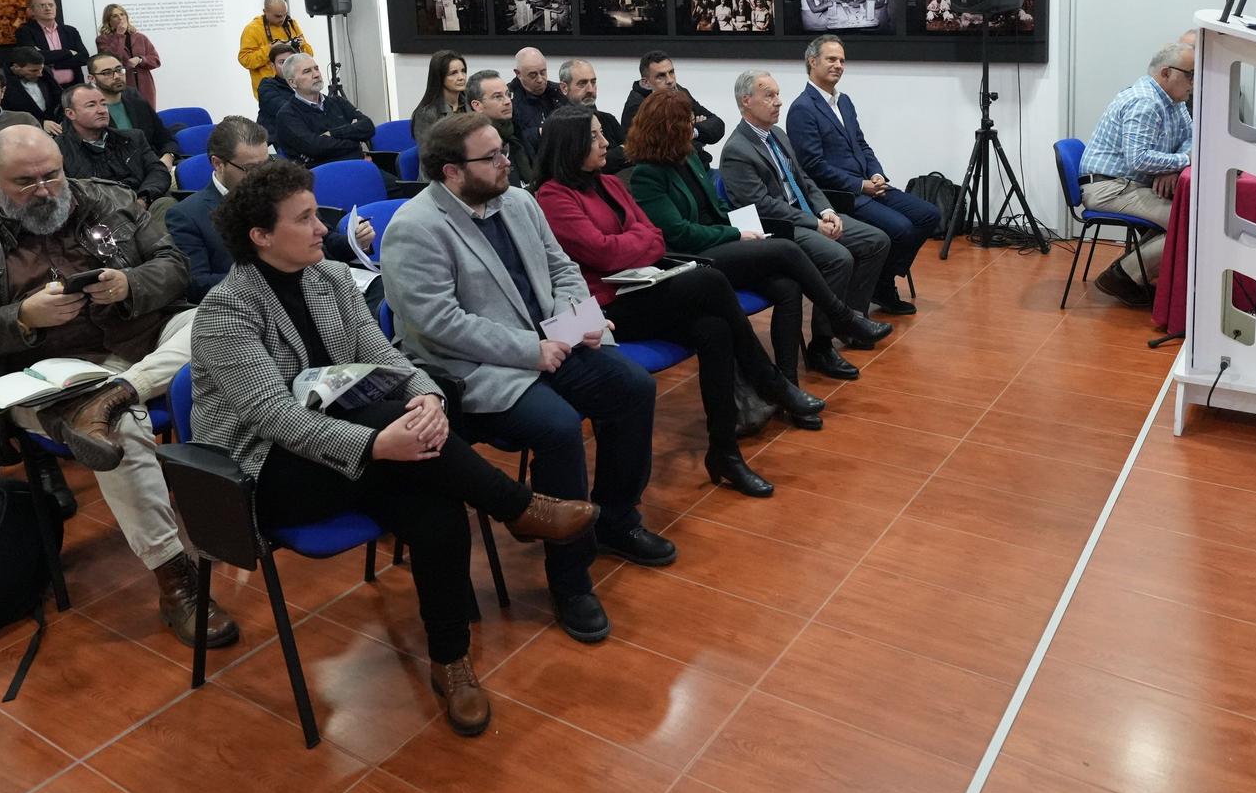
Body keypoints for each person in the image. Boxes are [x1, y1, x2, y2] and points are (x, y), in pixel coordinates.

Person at [190, 158, 596, 735]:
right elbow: (274, 416)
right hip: (267, 471)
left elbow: (386, 357)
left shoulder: (330, 279)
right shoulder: (225, 310)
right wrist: (379, 442)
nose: (322, 228)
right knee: (402, 434)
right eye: (304, 219)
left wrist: (426, 397)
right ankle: (517, 506)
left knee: (437, 504)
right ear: (260, 236)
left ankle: (451, 660)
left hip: (356, 452)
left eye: (316, 214)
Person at [0, 125, 239, 647]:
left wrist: (132, 284)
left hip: (140, 341)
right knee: (121, 430)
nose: (44, 190)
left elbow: (174, 266)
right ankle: (176, 578)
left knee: (224, 318)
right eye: (25, 182)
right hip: (43, 374)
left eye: (52, 175)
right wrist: (21, 317)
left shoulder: (110, 200)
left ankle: (117, 394)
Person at [381, 113, 672, 645]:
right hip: (477, 367)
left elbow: (562, 270)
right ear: (451, 172)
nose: (506, 162)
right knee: (558, 428)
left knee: (633, 388)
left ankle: (614, 518)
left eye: (503, 150)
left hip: (550, 343)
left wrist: (573, 321)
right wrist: (530, 350)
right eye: (491, 156)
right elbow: (440, 324)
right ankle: (570, 578)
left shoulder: (518, 201)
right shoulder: (414, 228)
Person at [535, 107, 823, 492]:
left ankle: (725, 453)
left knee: (714, 328)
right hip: (604, 309)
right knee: (710, 280)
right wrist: (631, 245)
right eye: (594, 136)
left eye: (602, 133)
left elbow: (654, 238)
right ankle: (769, 380)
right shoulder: (553, 196)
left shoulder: (611, 184)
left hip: (641, 287)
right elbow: (602, 253)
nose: (605, 143)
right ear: (570, 145)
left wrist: (627, 246)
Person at [626, 90, 891, 388]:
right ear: (668, 128)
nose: (694, 129)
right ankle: (843, 317)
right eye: (687, 123)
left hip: (721, 242)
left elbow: (719, 207)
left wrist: (745, 230)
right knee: (787, 249)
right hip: (695, 257)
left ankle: (788, 381)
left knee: (788, 286)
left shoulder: (689, 158)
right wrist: (737, 233)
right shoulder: (647, 174)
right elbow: (680, 233)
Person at [722, 69, 892, 372]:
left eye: (777, 94)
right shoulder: (737, 150)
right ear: (746, 101)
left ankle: (852, 321)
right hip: (779, 227)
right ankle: (821, 347)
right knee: (838, 258)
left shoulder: (778, 134)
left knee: (876, 241)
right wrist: (814, 223)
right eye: (769, 96)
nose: (779, 102)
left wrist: (826, 211)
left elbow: (804, 180)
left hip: (808, 214)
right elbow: (763, 206)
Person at [785, 35, 936, 314]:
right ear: (812, 61)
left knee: (929, 215)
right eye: (831, 59)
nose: (838, 65)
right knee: (902, 229)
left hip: (869, 184)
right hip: (842, 193)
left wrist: (876, 173)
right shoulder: (802, 109)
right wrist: (859, 185)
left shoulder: (844, 102)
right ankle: (883, 286)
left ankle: (880, 280)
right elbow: (813, 166)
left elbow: (862, 145)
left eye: (842, 60)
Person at [169, 118, 378, 303]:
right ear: (218, 164)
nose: (263, 175)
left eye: (266, 163)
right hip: (258, 304)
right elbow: (198, 285)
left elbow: (326, 239)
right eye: (251, 168)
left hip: (326, 285)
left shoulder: (282, 187)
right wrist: (274, 274)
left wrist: (355, 242)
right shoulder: (188, 215)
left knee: (383, 294)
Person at [1078, 40, 1196, 307]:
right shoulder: (1145, 102)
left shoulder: (1174, 101)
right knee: (1190, 223)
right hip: (1109, 188)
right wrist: (1182, 161)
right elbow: (1139, 159)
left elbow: (1190, 137)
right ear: (1166, 73)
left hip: (1128, 183)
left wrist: (1173, 166)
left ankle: (1129, 271)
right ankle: (1122, 276)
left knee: (1186, 218)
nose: (1194, 82)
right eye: (1190, 75)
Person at [56, 84, 172, 208]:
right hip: (98, 213)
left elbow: (158, 171)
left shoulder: (133, 138)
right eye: (91, 105)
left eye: (103, 104)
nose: (102, 110)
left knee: (166, 204)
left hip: (143, 202)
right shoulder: (57, 151)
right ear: (71, 113)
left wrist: (143, 199)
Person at [273, 52, 376, 168]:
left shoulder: (337, 101)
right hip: (324, 173)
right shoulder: (287, 115)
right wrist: (355, 141)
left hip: (359, 164)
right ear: (292, 82)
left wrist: (333, 133)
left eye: (316, 68)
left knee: (390, 178)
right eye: (307, 71)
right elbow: (316, 148)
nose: (316, 74)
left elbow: (368, 127)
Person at [620, 50, 724, 158]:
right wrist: (697, 136)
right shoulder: (637, 106)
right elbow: (664, 149)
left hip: (698, 162)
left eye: (671, 72)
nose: (670, 80)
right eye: (661, 76)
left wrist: (693, 131)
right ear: (646, 83)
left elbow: (717, 124)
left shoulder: (678, 91)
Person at [88, 54, 178, 166]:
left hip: (153, 164)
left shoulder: (136, 100)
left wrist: (168, 156)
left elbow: (165, 138)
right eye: (107, 73)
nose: (116, 76)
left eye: (119, 70)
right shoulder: (88, 113)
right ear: (92, 79)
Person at [466, 69, 538, 187]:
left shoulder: (515, 131)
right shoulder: (472, 144)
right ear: (477, 105)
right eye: (498, 97)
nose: (508, 101)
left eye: (508, 94)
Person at [559, 59, 627, 173]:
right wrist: (618, 154)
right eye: (582, 83)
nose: (590, 89)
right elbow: (580, 165)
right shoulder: (559, 124)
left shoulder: (608, 119)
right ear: (564, 88)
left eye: (593, 82)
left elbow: (632, 152)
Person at [237, 0, 312, 96]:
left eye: (285, 15)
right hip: (271, 90)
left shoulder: (290, 24)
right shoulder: (252, 29)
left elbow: (309, 55)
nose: (282, 19)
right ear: (265, 12)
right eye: (278, 16)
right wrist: (271, 49)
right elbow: (245, 60)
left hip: (297, 85)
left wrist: (300, 46)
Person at [14, 0, 89, 88]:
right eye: (42, 5)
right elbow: (33, 59)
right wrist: (68, 52)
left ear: (55, 8)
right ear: (32, 11)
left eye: (51, 5)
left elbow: (84, 57)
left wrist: (54, 64)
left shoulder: (70, 31)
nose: (48, 8)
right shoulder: (25, 32)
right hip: (45, 86)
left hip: (74, 85)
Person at [95, 3, 162, 107]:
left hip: (145, 85)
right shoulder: (103, 40)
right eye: (115, 16)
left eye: (122, 14)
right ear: (109, 21)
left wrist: (140, 59)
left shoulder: (140, 37)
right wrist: (119, 35)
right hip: (121, 85)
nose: (120, 18)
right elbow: (111, 60)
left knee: (148, 114)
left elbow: (156, 61)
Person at [508, 47, 564, 155]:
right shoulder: (508, 100)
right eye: (533, 75)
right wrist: (539, 133)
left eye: (543, 72)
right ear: (518, 73)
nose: (540, 80)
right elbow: (511, 140)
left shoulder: (558, 92)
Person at [411, 49, 470, 145]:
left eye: (463, 71)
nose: (461, 77)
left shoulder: (471, 103)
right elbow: (427, 150)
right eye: (453, 73)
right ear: (440, 77)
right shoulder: (426, 114)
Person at [2, 46, 63, 133]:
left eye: (41, 69)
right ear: (16, 67)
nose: (40, 74)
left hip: (53, 126)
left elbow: (58, 98)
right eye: (33, 71)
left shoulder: (46, 72)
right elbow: (4, 115)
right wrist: (39, 123)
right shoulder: (0, 82)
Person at [255, 39, 301, 133]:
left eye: (291, 62)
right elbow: (286, 111)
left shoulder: (303, 83)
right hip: (274, 138)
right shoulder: (267, 85)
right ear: (273, 65)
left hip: (301, 136)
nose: (288, 66)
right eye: (282, 62)